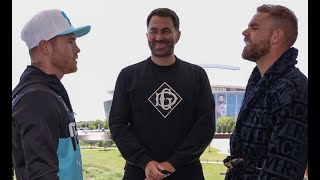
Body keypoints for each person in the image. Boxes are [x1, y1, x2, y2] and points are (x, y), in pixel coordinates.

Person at [109, 8, 215, 180]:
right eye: (154, 31)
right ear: (147, 36)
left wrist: (172, 163)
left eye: (166, 31)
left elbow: (205, 126)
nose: (159, 37)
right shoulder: (128, 76)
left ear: (177, 35)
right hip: (140, 172)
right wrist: (146, 162)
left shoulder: (197, 75)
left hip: (187, 173)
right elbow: (118, 124)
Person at [223, 4, 308, 180]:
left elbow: (283, 170)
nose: (245, 32)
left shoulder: (293, 88)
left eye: (254, 27)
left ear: (276, 36)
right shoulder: (258, 81)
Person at [12, 9, 91, 179]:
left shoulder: (47, 93)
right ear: (45, 47)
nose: (77, 49)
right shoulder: (36, 99)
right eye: (70, 41)